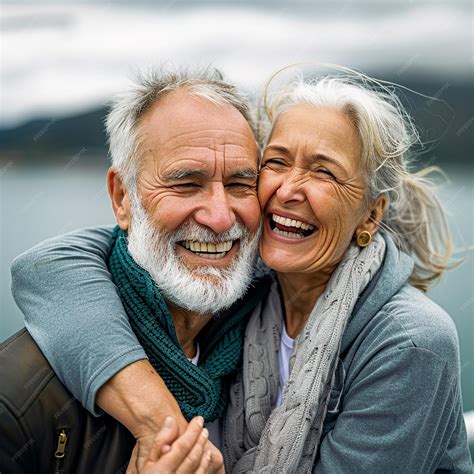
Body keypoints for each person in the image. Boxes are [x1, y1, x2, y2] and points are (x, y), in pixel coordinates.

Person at [10, 71, 472, 472]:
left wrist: (171, 444)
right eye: (275, 163)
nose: (289, 188)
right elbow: (44, 266)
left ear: (371, 215)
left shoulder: (409, 342)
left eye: (325, 172)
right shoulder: (246, 289)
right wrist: (162, 424)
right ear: (122, 198)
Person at [0, 66, 272, 473]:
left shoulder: (279, 330)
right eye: (185, 183)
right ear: (122, 198)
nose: (220, 217)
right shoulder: (19, 398)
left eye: (239, 184)